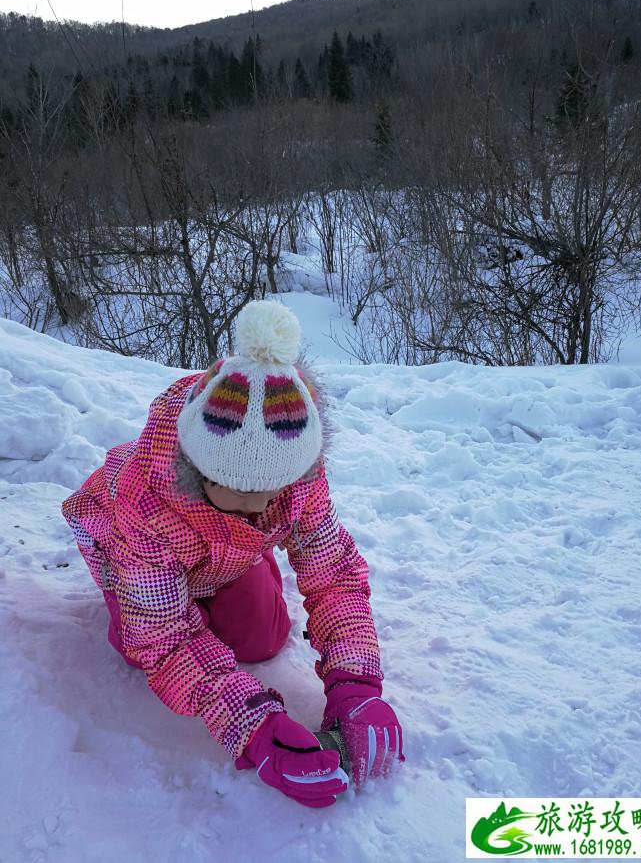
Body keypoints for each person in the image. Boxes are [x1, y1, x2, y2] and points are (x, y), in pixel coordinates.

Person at [62, 299, 404, 808]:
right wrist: (253, 726)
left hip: (219, 553)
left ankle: (230, 567)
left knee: (262, 637)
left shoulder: (297, 472)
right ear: (200, 470)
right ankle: (164, 593)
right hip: (132, 556)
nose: (264, 507)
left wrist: (356, 681)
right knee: (139, 642)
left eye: (273, 493)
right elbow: (166, 638)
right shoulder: (143, 500)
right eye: (242, 498)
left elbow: (334, 574)